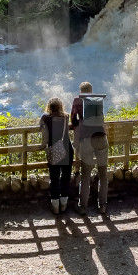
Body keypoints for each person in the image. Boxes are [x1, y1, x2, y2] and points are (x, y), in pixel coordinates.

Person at [70, 81, 109, 215]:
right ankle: (103, 206)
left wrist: (78, 126)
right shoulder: (97, 100)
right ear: (91, 91)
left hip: (87, 140)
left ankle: (83, 207)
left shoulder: (77, 100)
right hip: (101, 138)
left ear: (81, 91)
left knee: (85, 174)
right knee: (103, 175)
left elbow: (73, 119)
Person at [41, 97, 73, 214]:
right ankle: (64, 204)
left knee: (54, 178)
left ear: (49, 107)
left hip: (54, 149)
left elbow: (40, 125)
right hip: (67, 149)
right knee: (65, 177)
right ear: (60, 106)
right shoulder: (66, 117)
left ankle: (55, 206)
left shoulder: (46, 118)